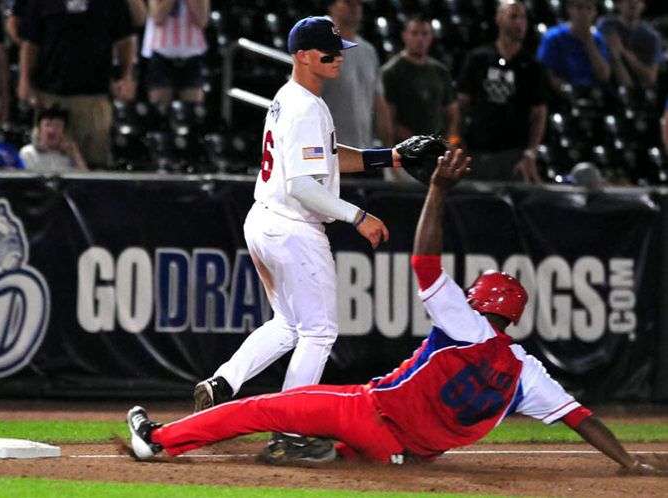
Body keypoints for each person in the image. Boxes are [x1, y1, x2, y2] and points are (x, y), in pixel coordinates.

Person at [126, 147, 665, 475]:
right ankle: (330, 452)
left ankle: (158, 442)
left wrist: (437, 190)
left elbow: (426, 261)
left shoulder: (468, 326)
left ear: (482, 303)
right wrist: (626, 460)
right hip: (402, 452)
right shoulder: (526, 371)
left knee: (264, 409)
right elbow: (581, 419)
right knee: (331, 431)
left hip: (371, 414)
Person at [192, 16, 400, 463]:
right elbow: (304, 187)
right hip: (293, 228)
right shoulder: (306, 106)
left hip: (264, 221)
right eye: (330, 50)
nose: (339, 56)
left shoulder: (292, 99)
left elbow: (328, 160)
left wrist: (393, 155)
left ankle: (223, 382)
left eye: (340, 48)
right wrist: (357, 215)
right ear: (303, 56)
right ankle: (289, 431)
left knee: (288, 325)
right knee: (320, 331)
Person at [16, 0, 136, 169]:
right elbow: (30, 42)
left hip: (94, 96)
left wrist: (126, 75)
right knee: (45, 162)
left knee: (96, 162)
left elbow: (125, 40)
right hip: (51, 96)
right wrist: (25, 80)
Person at [457, 0, 547, 183]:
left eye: (523, 17)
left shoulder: (531, 66)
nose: (519, 23)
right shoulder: (478, 59)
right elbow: (461, 105)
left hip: (513, 155)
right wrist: (457, 142)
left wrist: (531, 153)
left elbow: (539, 113)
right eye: (513, 16)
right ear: (498, 18)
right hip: (478, 152)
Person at [321, 0, 392, 150]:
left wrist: (389, 152)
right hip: (328, 151)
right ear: (332, 6)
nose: (354, 7)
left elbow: (379, 105)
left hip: (362, 150)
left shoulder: (368, 51)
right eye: (348, 2)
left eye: (358, 3)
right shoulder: (319, 47)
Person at [382, 14, 458, 145]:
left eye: (425, 34)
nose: (420, 39)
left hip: (436, 148)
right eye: (414, 33)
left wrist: (450, 142)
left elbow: (452, 112)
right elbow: (387, 118)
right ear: (405, 35)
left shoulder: (441, 71)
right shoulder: (391, 72)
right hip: (404, 149)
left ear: (431, 37)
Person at [142, 0, 210, 106]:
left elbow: (202, 20)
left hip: (192, 55)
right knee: (160, 109)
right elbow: (157, 17)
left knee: (192, 110)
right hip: (162, 54)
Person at [537, 0, 611, 96]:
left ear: (595, 12)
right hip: (562, 95)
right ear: (569, 9)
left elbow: (604, 76)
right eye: (579, 8)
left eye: (589, 8)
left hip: (593, 94)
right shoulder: (553, 37)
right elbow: (545, 72)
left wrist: (588, 42)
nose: (584, 13)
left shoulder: (598, 38)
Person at [597, 0, 662, 89]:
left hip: (639, 90)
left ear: (643, 4)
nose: (633, 2)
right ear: (618, 4)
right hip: (606, 85)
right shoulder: (606, 25)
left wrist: (623, 52)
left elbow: (651, 78)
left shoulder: (652, 37)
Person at [19, 105, 88, 173]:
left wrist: (74, 154)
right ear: (39, 130)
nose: (51, 130)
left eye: (57, 125)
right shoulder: (28, 153)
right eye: (47, 125)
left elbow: (85, 179)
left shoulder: (69, 155)